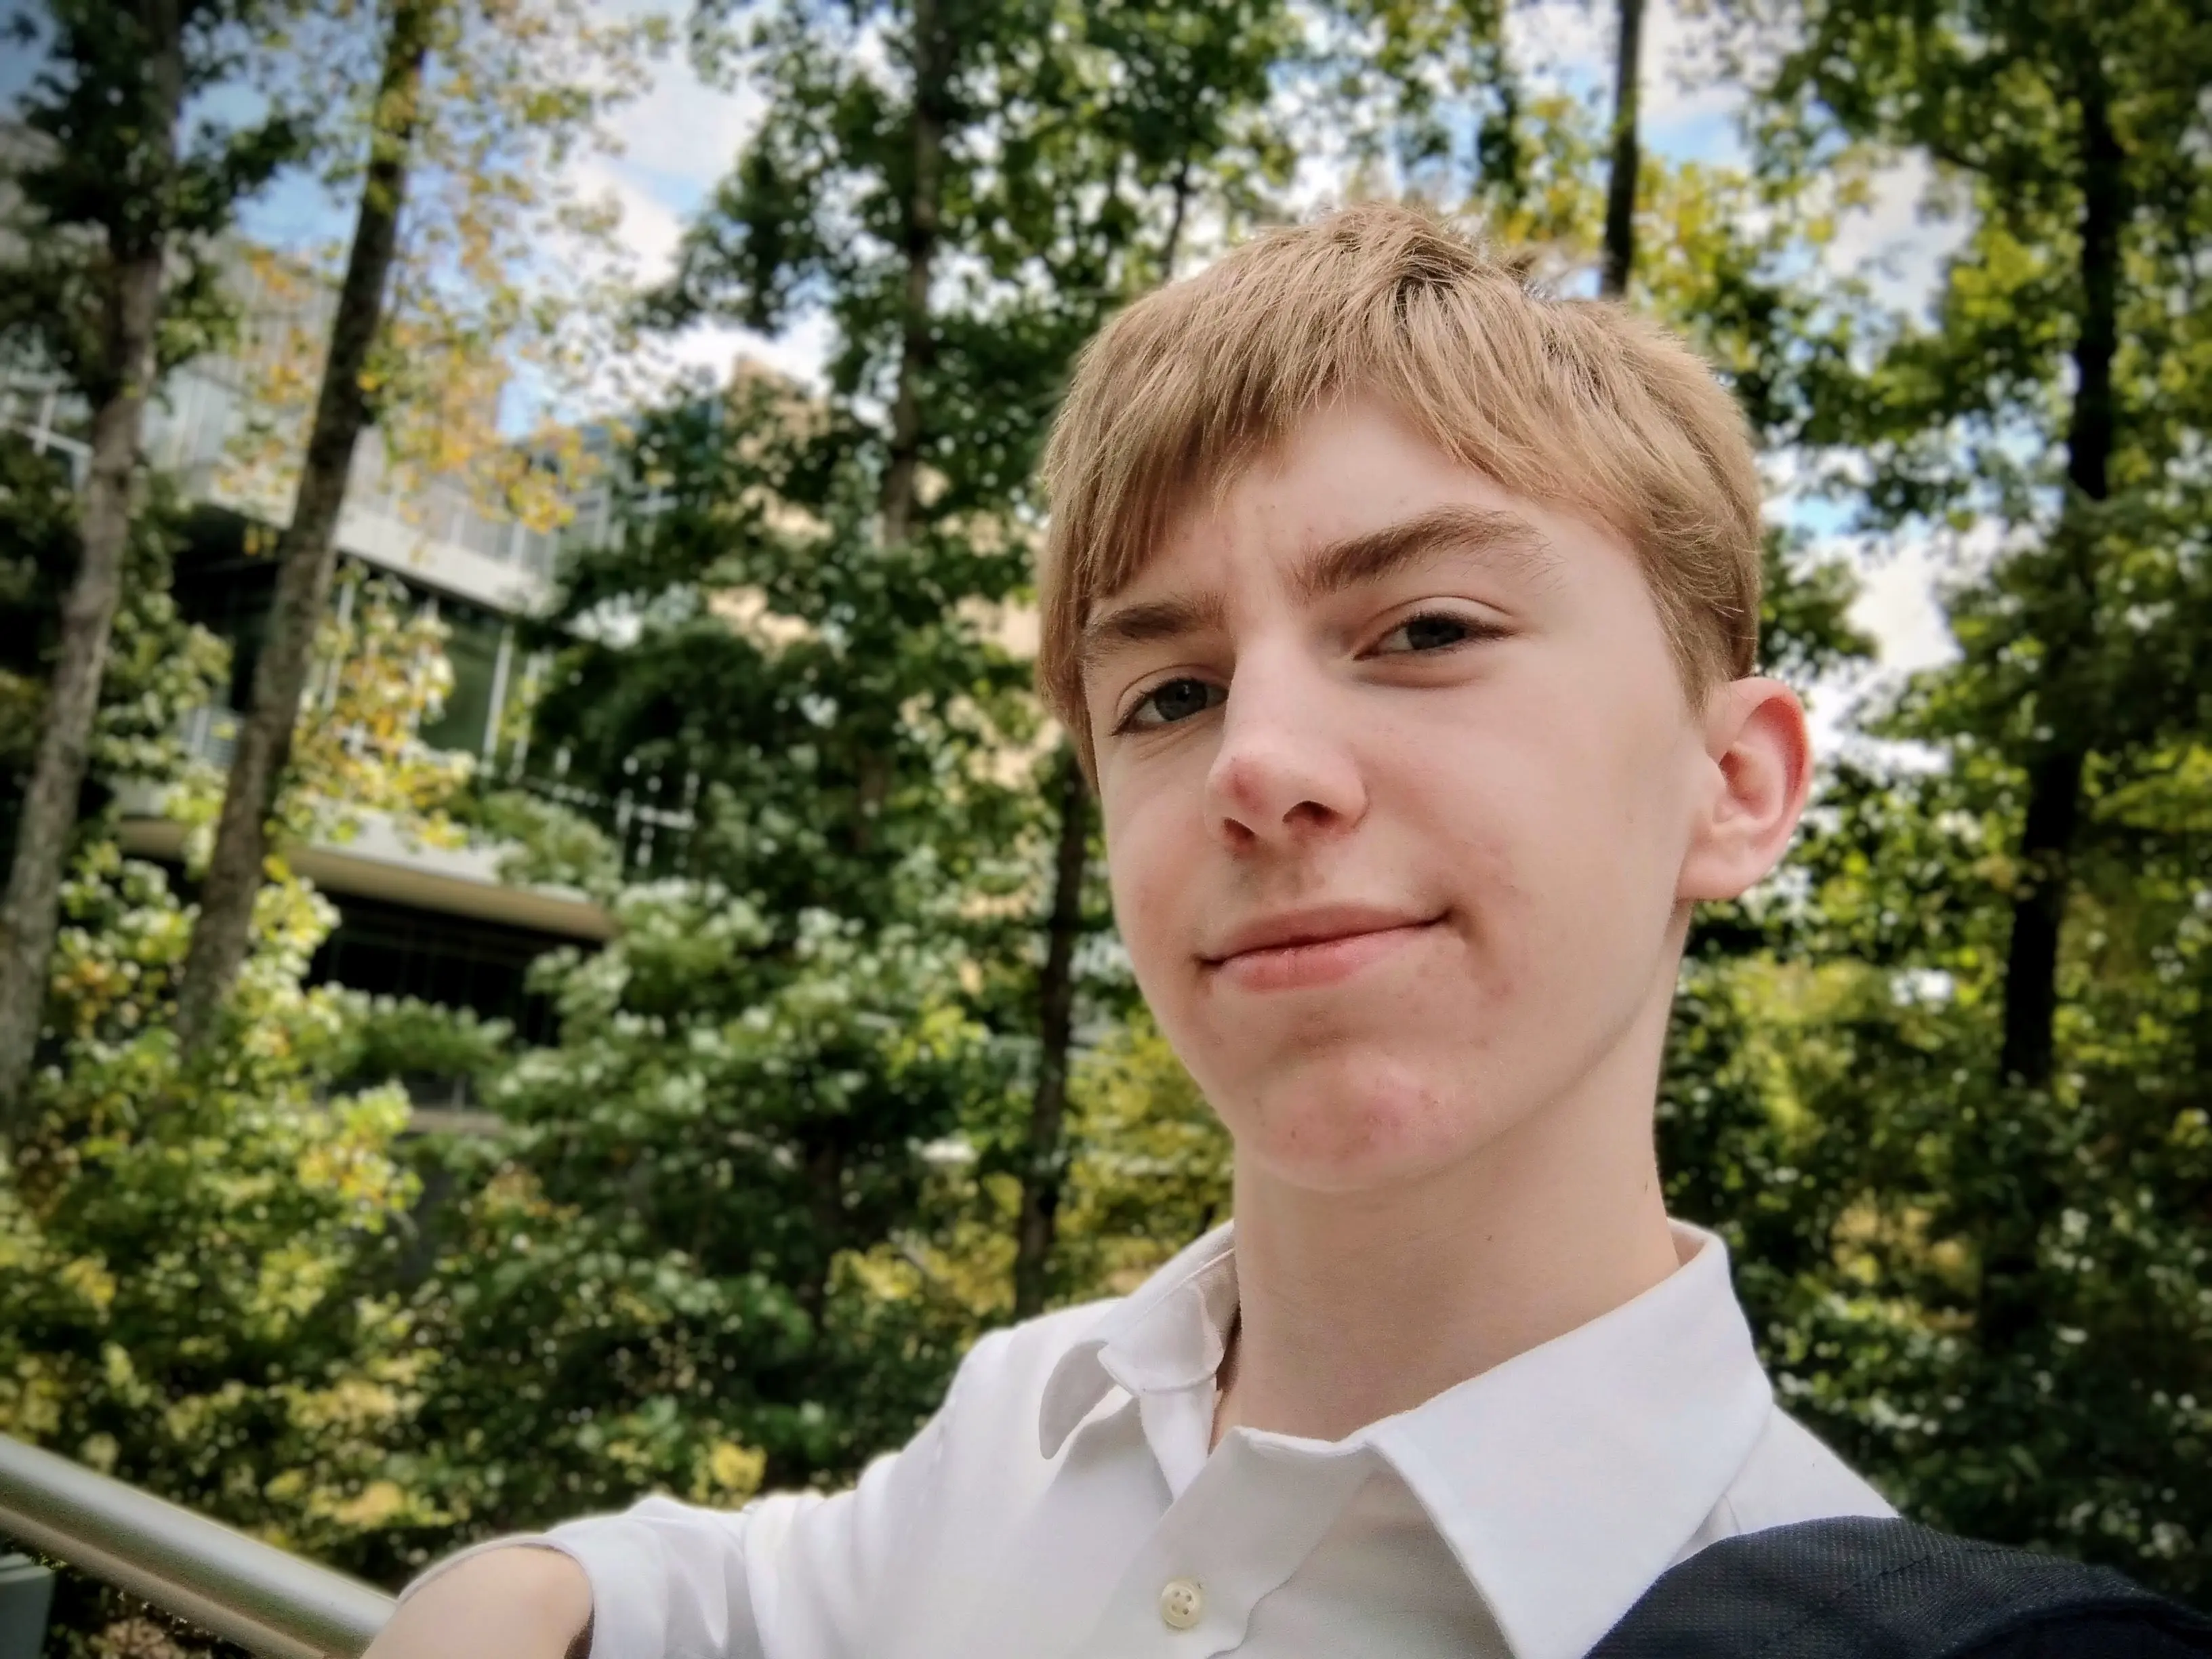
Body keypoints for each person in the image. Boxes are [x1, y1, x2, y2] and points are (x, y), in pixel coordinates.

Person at [361, 203, 2110, 1659]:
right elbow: (712, 1597)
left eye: (1423, 627)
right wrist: (512, 1593)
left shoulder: (1851, 1629)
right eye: (1170, 690)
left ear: (1733, 785)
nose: (1256, 765)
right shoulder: (1039, 1418)